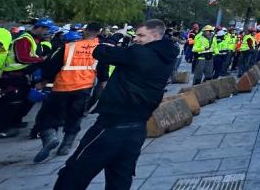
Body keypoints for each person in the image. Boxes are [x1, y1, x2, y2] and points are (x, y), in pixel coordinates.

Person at [53, 19, 177, 190]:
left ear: (155, 35)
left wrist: (116, 36)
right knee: (119, 177)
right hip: (137, 128)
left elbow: (100, 51)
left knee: (74, 173)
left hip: (111, 125)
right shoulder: (166, 58)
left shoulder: (139, 54)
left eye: (141, 35)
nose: (136, 39)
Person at [33, 24, 107, 163]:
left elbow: (52, 65)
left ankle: (50, 137)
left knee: (47, 115)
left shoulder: (69, 47)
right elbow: (103, 70)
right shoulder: (100, 49)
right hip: (84, 88)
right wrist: (103, 83)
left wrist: (44, 81)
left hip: (62, 86)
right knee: (75, 116)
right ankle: (66, 145)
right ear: (99, 33)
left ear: (84, 31)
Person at [0, 18, 52, 138]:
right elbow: (21, 58)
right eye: (46, 29)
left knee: (23, 101)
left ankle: (14, 122)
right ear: (39, 28)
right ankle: (2, 128)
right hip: (12, 76)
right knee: (12, 103)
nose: (47, 32)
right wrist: (41, 60)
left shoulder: (35, 41)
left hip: (21, 76)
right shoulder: (24, 39)